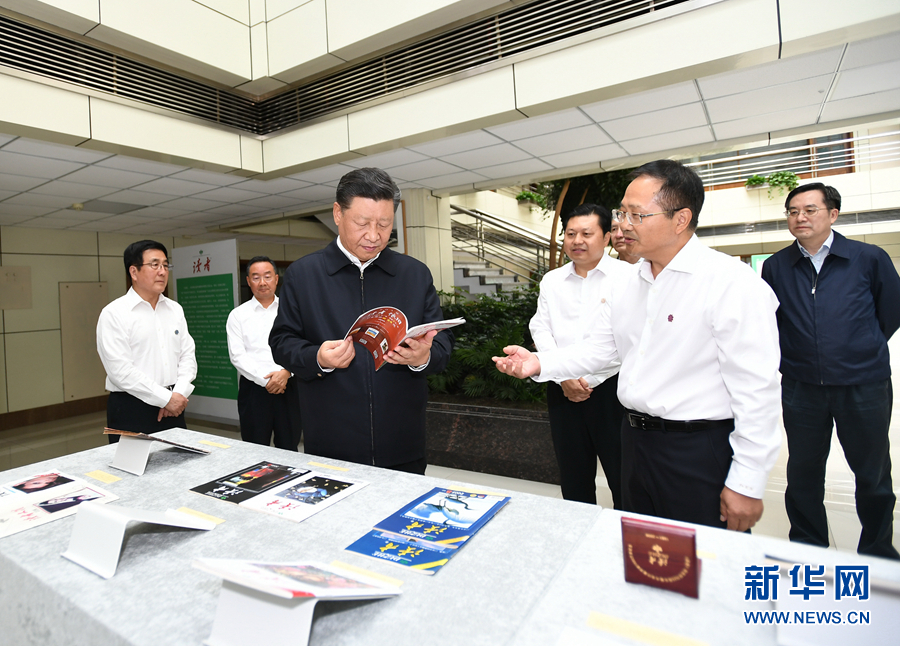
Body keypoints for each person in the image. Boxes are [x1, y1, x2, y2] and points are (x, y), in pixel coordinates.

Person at [494, 160, 781, 532]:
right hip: (635, 442)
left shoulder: (731, 283)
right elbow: (602, 349)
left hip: (697, 449)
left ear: (680, 219)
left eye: (636, 215)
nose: (624, 225)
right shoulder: (628, 283)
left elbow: (757, 391)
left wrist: (747, 481)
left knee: (700, 558)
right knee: (642, 549)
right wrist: (537, 363)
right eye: (621, 213)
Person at [269, 167, 454, 474]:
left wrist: (424, 356)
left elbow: (443, 343)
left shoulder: (414, 274)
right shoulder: (304, 275)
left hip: (402, 443)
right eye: (362, 223)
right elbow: (281, 342)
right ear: (338, 213)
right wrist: (318, 358)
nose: (374, 235)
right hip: (331, 444)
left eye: (384, 224)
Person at [761, 183, 900, 559]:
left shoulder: (868, 257)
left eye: (810, 210)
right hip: (801, 385)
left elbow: (891, 310)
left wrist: (860, 346)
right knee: (803, 474)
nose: (800, 218)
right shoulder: (776, 266)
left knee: (872, 474)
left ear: (833, 214)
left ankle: (878, 550)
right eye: (793, 211)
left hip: (863, 384)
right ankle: (808, 548)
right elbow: (770, 322)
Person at [529, 203, 632, 507]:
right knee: (573, 477)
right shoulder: (552, 280)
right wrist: (564, 375)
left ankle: (624, 531)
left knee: (623, 476)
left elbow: (625, 338)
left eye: (587, 233)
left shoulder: (628, 277)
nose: (577, 241)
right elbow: (540, 327)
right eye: (571, 233)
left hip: (612, 390)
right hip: (561, 389)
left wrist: (586, 378)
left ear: (607, 236)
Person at [97, 240, 196, 443]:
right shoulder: (114, 313)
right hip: (131, 407)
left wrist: (176, 395)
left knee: (180, 461)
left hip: (174, 406)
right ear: (134, 272)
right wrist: (164, 399)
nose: (162, 271)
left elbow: (188, 355)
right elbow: (120, 371)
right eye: (154, 265)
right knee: (132, 464)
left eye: (165, 265)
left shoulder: (175, 309)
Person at [226, 256, 301, 450]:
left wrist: (287, 372)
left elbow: (302, 345)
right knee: (254, 448)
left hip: (289, 385)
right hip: (254, 390)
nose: (262, 282)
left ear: (276, 279)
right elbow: (237, 356)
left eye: (267, 276)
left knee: (289, 448)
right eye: (256, 277)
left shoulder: (293, 310)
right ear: (248, 281)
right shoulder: (238, 315)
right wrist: (266, 381)